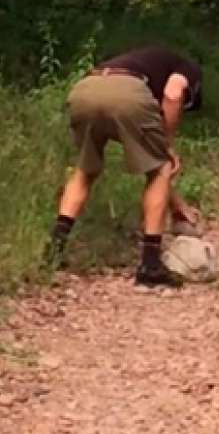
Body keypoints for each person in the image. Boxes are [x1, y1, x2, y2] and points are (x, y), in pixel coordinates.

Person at [47, 45, 203, 287]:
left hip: (86, 89)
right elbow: (173, 95)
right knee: (161, 169)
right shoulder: (189, 68)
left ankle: (54, 251)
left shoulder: (144, 60)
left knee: (85, 170)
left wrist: (179, 207)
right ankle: (150, 265)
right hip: (127, 94)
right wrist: (167, 145)